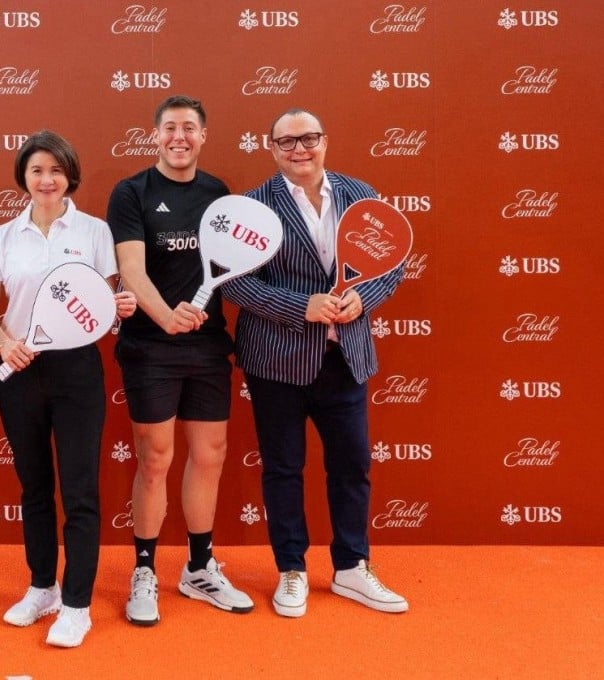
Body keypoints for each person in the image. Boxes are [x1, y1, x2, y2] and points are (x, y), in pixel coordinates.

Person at [221, 107, 409, 618]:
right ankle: (292, 570)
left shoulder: (360, 195)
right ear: (272, 148)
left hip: (345, 356)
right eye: (287, 141)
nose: (299, 149)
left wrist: (364, 298)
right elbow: (233, 281)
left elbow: (391, 263)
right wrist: (298, 306)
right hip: (276, 361)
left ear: (325, 141)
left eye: (308, 138)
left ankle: (351, 567)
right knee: (283, 468)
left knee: (353, 464)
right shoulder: (253, 207)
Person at [0, 130, 136, 648]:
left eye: (56, 171)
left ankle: (76, 605)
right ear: (23, 177)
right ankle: (42, 587)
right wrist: (4, 343)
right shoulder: (4, 236)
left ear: (70, 176)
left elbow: (106, 302)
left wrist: (121, 306)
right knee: (34, 488)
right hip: (19, 369)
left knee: (80, 490)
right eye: (37, 170)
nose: (47, 180)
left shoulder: (94, 231)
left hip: (77, 373)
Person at [106, 94, 254, 626]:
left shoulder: (218, 194)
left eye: (189, 128)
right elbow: (131, 269)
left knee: (210, 455)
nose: (179, 137)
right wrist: (166, 316)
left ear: (203, 135)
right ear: (155, 135)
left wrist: (189, 319)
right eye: (170, 127)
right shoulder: (131, 193)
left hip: (208, 345)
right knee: (155, 458)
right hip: (151, 347)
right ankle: (144, 569)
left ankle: (198, 567)